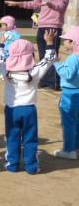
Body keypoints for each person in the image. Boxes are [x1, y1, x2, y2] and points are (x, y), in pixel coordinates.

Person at [0, 34, 56, 174]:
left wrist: (1, 44)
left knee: (12, 137)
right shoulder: (34, 71)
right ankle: (31, 166)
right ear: (31, 55)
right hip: (29, 110)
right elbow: (50, 58)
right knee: (30, 138)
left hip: (11, 110)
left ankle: (12, 164)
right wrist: (50, 42)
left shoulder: (6, 70)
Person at [5, 0, 69, 90]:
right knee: (43, 54)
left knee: (51, 54)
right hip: (42, 26)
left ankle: (54, 82)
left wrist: (49, 4)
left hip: (53, 26)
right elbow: (34, 3)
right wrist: (17, 3)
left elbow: (61, 7)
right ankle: (44, 79)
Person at [53, 26, 79, 159]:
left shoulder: (74, 57)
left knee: (68, 122)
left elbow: (67, 74)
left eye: (66, 40)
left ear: (73, 42)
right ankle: (76, 148)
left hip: (70, 94)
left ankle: (69, 150)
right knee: (77, 122)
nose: (64, 42)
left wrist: (56, 63)